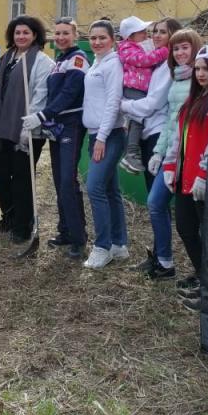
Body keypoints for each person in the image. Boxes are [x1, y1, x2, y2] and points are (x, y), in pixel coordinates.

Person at [162, 45, 208, 294]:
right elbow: (178, 136)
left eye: (206, 68)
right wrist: (170, 164)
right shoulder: (194, 99)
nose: (201, 74)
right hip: (186, 177)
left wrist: (204, 174)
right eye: (197, 69)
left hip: (207, 180)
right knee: (185, 227)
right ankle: (204, 274)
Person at [134, 28, 202, 279]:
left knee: (192, 219)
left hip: (192, 156)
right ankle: (164, 260)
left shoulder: (200, 76)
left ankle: (203, 271)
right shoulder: (179, 78)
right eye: (176, 48)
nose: (180, 52)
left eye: (185, 47)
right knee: (155, 203)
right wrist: (158, 152)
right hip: (173, 153)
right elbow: (172, 121)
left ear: (195, 48)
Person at [0, 15, 52, 244]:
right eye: (17, 33)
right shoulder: (6, 59)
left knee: (22, 178)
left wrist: (30, 125)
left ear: (35, 36)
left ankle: (23, 225)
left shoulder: (42, 62)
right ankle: (10, 215)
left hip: (28, 129)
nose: (21, 36)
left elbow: (42, 95)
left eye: (26, 33)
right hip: (3, 127)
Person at [22, 17, 88, 259]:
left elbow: (70, 94)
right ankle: (66, 231)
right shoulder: (60, 60)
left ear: (75, 34)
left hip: (71, 125)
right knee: (60, 180)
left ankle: (79, 240)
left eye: (65, 33)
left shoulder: (78, 59)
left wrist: (41, 115)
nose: (60, 37)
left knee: (67, 182)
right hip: (57, 127)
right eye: (57, 33)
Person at [81, 19, 126, 269]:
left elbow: (113, 102)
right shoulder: (97, 63)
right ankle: (119, 244)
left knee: (95, 187)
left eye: (102, 38)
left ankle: (102, 247)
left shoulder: (113, 64)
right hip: (94, 134)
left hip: (108, 135)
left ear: (113, 40)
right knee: (110, 190)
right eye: (93, 37)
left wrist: (101, 138)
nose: (97, 42)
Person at [120, 17, 181, 191]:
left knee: (155, 196)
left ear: (173, 35)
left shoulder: (169, 64)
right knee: (151, 192)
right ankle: (130, 153)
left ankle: (130, 152)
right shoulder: (155, 59)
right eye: (155, 31)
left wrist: (123, 105)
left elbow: (151, 104)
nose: (155, 35)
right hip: (148, 131)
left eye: (162, 32)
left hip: (159, 131)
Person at [117, 16, 169, 174]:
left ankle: (132, 152)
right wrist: (163, 52)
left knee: (136, 119)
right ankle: (131, 152)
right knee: (137, 118)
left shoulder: (139, 46)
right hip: (133, 88)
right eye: (142, 33)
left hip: (140, 88)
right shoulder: (127, 49)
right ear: (130, 36)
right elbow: (144, 61)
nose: (147, 35)